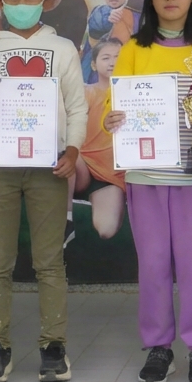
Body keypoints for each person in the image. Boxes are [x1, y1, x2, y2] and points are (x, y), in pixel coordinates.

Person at [104, 0, 192, 382]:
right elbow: (113, 104)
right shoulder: (134, 50)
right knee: (153, 264)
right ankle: (159, 346)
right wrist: (111, 118)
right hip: (147, 176)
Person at [0, 0, 87, 382]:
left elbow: (77, 106)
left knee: (49, 261)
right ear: (1, 2)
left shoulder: (63, 49)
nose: (22, 4)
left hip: (48, 165)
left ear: (45, 2)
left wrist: (72, 150)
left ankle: (53, 346)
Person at [74, 39, 127, 240]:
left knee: (106, 229)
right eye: (106, 58)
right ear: (94, 64)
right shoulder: (85, 92)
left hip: (110, 176)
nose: (112, 62)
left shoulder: (136, 95)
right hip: (80, 168)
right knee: (63, 150)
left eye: (118, 57)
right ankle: (65, 219)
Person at [83, 0, 138, 82]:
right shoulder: (98, 13)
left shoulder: (137, 15)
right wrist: (110, 16)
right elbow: (97, 23)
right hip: (97, 74)